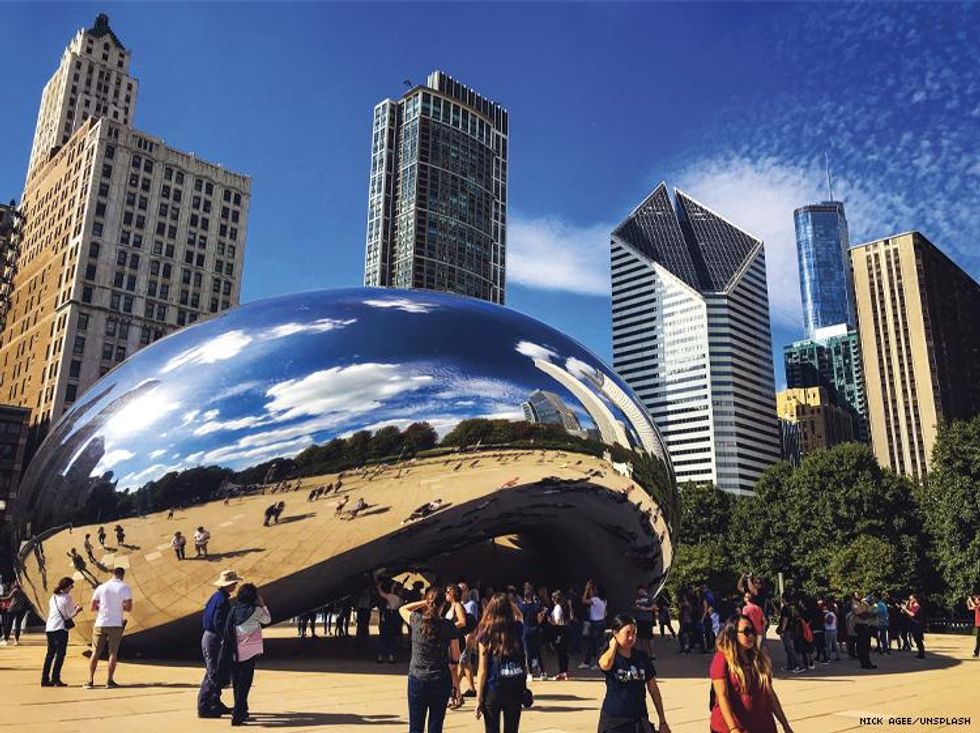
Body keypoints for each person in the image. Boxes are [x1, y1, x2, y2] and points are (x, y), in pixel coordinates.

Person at [710, 615, 794, 733]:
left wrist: (785, 725)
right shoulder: (722, 658)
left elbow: (769, 694)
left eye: (753, 632)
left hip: (763, 726)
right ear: (733, 633)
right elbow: (722, 696)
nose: (751, 636)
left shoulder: (759, 659)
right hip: (731, 727)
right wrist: (733, 729)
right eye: (746, 631)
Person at [400, 586, 467, 733]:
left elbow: (403, 609)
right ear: (443, 605)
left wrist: (424, 602)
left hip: (417, 677)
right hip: (440, 678)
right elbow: (455, 655)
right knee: (436, 725)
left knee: (415, 726)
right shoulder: (448, 626)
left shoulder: (417, 621)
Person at [597, 614, 670, 733]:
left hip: (639, 719)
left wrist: (662, 720)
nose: (631, 637)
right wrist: (613, 647)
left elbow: (653, 689)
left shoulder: (642, 657)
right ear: (615, 633)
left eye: (634, 633)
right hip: (615, 720)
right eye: (627, 633)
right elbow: (605, 665)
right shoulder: (611, 657)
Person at [475, 593, 527, 733]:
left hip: (494, 687)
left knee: (492, 728)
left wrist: (479, 698)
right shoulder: (516, 628)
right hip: (514, 686)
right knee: (512, 729)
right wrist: (509, 603)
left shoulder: (485, 633)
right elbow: (520, 615)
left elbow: (482, 669)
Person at [224, 583, 271, 726]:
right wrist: (262, 604)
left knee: (237, 683)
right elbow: (267, 619)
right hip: (250, 652)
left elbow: (227, 628)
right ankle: (238, 715)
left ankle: (242, 710)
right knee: (245, 683)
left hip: (235, 652)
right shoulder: (256, 610)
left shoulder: (233, 610)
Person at [198, 569, 242, 718]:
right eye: (234, 583)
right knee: (214, 673)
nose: (235, 585)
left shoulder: (216, 597)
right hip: (214, 638)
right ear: (228, 584)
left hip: (210, 636)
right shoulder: (222, 601)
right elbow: (218, 621)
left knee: (216, 671)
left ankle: (215, 702)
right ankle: (204, 707)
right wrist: (226, 637)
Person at [86, 567, 133, 688]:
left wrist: (102, 608)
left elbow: (92, 607)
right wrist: (120, 606)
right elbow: (128, 608)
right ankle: (109, 680)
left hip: (101, 623)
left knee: (95, 652)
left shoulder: (101, 587)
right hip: (115, 624)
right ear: (122, 575)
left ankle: (90, 680)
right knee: (113, 653)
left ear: (113, 574)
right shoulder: (125, 588)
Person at [42, 577, 81, 687]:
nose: (72, 588)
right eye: (71, 586)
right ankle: (55, 678)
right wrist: (77, 610)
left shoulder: (53, 597)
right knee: (60, 654)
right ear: (67, 586)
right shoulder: (67, 598)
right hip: (60, 628)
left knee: (50, 654)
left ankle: (45, 679)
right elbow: (69, 615)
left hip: (50, 627)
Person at [580, 580, 608, 669]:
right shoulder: (603, 600)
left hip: (595, 624)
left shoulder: (595, 600)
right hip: (602, 622)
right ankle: (593, 662)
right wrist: (590, 588)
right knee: (597, 644)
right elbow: (593, 598)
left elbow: (584, 600)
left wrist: (586, 589)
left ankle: (591, 663)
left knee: (593, 644)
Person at [548, 590, 572, 680]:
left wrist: (550, 621)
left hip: (559, 630)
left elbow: (557, 621)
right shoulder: (566, 605)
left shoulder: (558, 607)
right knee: (565, 652)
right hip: (566, 629)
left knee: (560, 652)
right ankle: (565, 672)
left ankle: (561, 672)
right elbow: (571, 617)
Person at [1, 581, 30, 645]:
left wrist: (1, 599)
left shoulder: (16, 590)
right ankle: (16, 640)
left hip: (13, 609)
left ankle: (6, 640)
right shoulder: (25, 591)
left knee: (9, 624)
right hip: (21, 609)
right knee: (18, 625)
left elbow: (8, 598)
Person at [633, 586, 656, 658]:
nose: (639, 593)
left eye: (640, 591)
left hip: (647, 620)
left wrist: (645, 609)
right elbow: (634, 607)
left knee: (649, 638)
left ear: (643, 590)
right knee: (640, 638)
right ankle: (643, 653)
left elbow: (654, 607)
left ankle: (652, 654)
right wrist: (636, 608)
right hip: (640, 620)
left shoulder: (649, 598)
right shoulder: (637, 599)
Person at [901, 594, 925, 659]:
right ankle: (920, 653)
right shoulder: (912, 606)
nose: (910, 600)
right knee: (916, 639)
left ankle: (921, 653)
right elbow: (903, 612)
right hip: (915, 625)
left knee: (918, 639)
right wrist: (906, 607)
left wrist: (906, 609)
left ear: (915, 599)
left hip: (918, 625)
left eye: (911, 599)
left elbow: (912, 614)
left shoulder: (916, 606)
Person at [967, 594, 980, 658]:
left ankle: (976, 652)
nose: (975, 601)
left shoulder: (979, 606)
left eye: (976, 600)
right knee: (978, 639)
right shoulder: (977, 606)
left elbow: (974, 606)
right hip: (978, 624)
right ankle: (976, 653)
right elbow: (969, 608)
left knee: (978, 639)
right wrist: (968, 602)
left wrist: (970, 600)